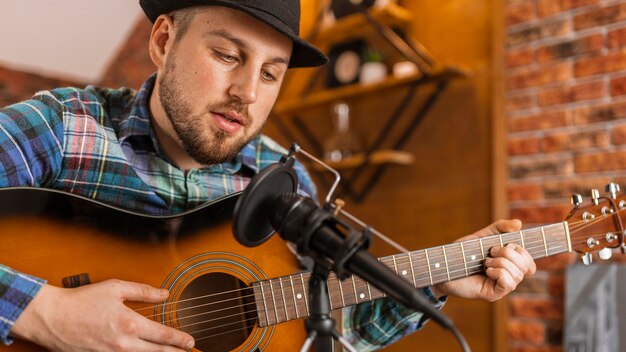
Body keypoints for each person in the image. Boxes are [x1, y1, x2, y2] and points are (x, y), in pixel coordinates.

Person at [0, 1, 536, 351]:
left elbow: (327, 326)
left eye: (271, 72)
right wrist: (45, 312)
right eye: (227, 55)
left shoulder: (284, 180)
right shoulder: (63, 128)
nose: (249, 93)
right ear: (163, 42)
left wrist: (438, 279)